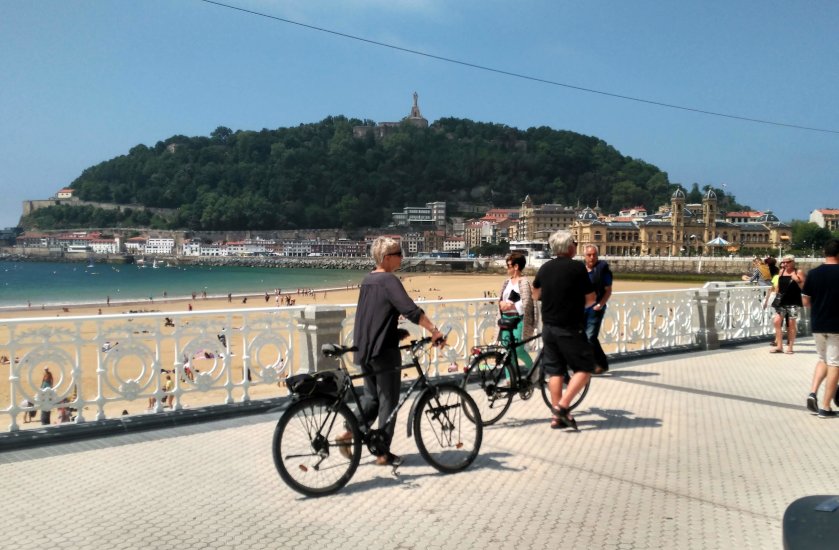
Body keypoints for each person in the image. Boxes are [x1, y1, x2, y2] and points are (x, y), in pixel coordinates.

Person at [349, 236, 445, 466]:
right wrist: (433, 330)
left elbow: (373, 315)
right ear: (387, 258)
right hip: (383, 351)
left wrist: (395, 332)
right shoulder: (389, 280)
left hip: (364, 347)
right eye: (399, 254)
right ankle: (382, 453)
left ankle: (349, 431)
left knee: (371, 397)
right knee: (388, 400)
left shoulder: (368, 280)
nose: (402, 257)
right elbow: (410, 309)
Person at [532, 230, 596, 430]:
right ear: (569, 247)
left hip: (548, 327)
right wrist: (575, 305)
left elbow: (535, 294)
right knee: (586, 368)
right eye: (574, 243)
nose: (576, 246)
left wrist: (551, 298)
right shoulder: (577, 268)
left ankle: (557, 418)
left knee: (556, 372)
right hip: (569, 327)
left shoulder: (545, 268)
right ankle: (562, 406)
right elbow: (591, 299)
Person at [803, 239, 839, 418]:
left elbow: (806, 301)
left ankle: (813, 393)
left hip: (818, 324)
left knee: (822, 359)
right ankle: (825, 406)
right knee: (835, 364)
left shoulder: (813, 273)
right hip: (836, 327)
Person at [496, 252, 535, 370]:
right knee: (507, 349)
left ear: (516, 267)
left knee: (518, 349)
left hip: (518, 320)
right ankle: (510, 379)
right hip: (506, 319)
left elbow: (527, 302)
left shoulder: (524, 282)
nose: (507, 268)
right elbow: (501, 298)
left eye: (509, 266)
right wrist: (502, 303)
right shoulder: (506, 282)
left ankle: (533, 371)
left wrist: (510, 306)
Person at [583, 244, 613, 375]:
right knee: (583, 337)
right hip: (581, 309)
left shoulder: (603, 270)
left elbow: (608, 290)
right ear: (584, 256)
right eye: (589, 255)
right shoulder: (581, 270)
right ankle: (593, 363)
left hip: (595, 308)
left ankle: (601, 363)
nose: (592, 257)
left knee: (590, 337)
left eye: (594, 254)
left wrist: (600, 304)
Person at [770, 254, 805, 354]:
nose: (785, 264)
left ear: (793, 262)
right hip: (782, 301)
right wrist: (776, 295)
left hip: (793, 302)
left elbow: (804, 287)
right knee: (776, 321)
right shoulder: (781, 271)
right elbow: (779, 287)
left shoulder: (798, 272)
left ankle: (790, 347)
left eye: (787, 262)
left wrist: (797, 280)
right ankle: (779, 346)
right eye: (783, 262)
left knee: (791, 324)